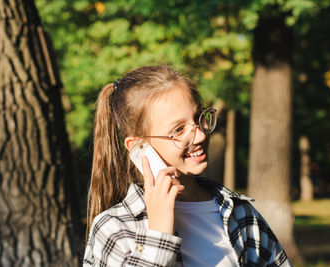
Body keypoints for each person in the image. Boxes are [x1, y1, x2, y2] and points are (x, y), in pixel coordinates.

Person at [83, 65, 291, 266]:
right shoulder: (115, 229)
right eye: (178, 130)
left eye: (199, 118)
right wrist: (159, 235)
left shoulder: (239, 213)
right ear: (139, 146)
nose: (200, 134)